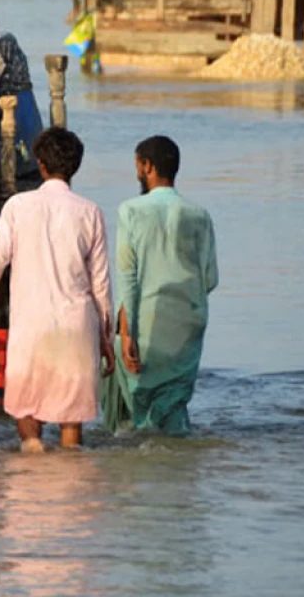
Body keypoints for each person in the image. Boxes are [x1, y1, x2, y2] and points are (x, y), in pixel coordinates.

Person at [0, 128, 114, 452]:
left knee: (27, 413)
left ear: (40, 164)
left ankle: (31, 477)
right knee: (71, 423)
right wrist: (106, 341)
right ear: (75, 166)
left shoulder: (18, 207)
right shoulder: (91, 213)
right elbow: (101, 285)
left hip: (32, 328)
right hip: (76, 327)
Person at [101, 136, 218, 436]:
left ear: (147, 166)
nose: (137, 173)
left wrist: (126, 334)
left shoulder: (131, 210)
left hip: (147, 319)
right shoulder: (200, 215)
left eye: (138, 165)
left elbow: (128, 277)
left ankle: (144, 466)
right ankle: (179, 471)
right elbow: (211, 279)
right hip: (189, 320)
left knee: (139, 405)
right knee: (174, 403)